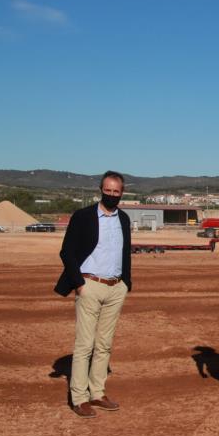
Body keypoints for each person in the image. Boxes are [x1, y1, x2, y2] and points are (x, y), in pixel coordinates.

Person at [54, 170, 132, 418]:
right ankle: (79, 397)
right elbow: (66, 252)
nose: (111, 195)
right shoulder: (83, 216)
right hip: (89, 286)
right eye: (107, 191)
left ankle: (97, 393)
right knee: (85, 345)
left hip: (115, 287)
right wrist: (79, 284)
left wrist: (126, 284)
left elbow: (126, 252)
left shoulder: (124, 219)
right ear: (101, 190)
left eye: (116, 192)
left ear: (122, 193)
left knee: (104, 345)